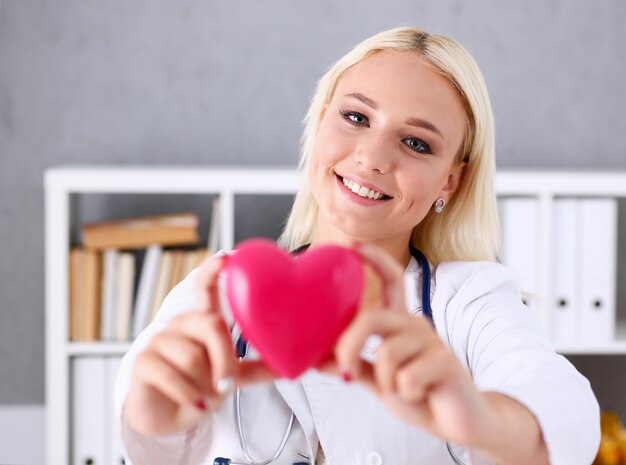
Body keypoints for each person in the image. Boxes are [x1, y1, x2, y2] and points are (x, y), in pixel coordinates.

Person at [116, 26, 600, 465]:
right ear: (322, 121)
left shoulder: (471, 301)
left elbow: (561, 412)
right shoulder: (221, 287)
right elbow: (144, 434)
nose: (371, 157)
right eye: (355, 116)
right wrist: (155, 407)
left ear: (450, 181)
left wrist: (479, 417)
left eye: (416, 143)